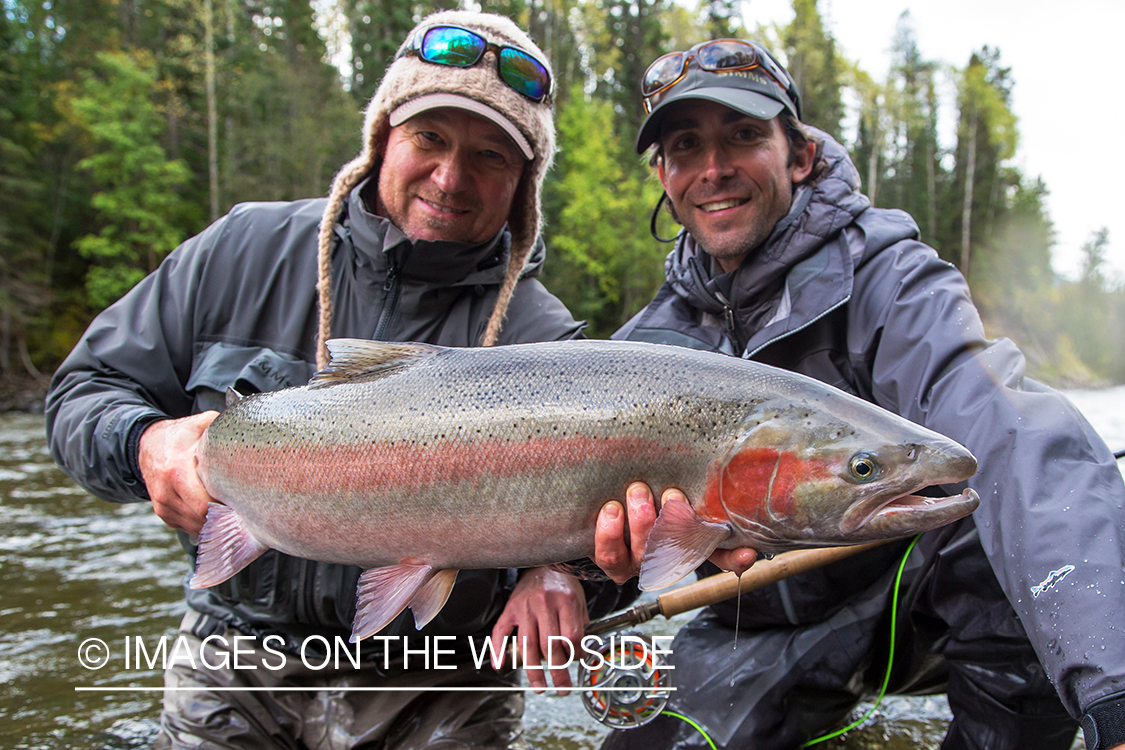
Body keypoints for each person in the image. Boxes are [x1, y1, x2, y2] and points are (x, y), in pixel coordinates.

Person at [45, 11, 640, 748]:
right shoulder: (242, 253)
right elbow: (82, 393)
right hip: (238, 658)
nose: (452, 178)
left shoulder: (543, 340)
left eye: (491, 156)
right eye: (430, 139)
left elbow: (623, 530)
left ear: (522, 183)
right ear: (383, 134)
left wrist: (572, 577)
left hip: (442, 679)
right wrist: (144, 444)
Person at [596, 37, 1125, 750]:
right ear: (662, 174)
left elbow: (1009, 429)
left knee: (987, 506)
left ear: (800, 154)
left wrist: (1113, 687)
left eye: (745, 136)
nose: (714, 168)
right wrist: (571, 576)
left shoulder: (891, 281)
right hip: (760, 618)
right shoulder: (641, 348)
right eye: (686, 146)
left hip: (922, 601)